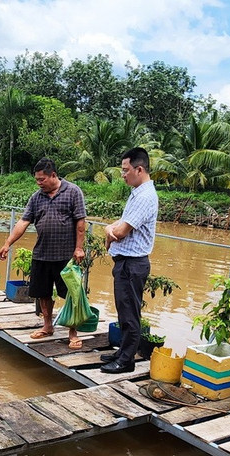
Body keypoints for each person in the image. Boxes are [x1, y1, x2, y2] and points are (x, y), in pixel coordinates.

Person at [0, 158, 87, 348]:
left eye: (41, 179)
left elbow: (80, 223)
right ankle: (47, 326)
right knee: (43, 293)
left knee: (71, 294)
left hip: (65, 257)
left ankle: (73, 332)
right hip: (42, 254)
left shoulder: (73, 191)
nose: (38, 183)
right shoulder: (36, 198)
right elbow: (23, 223)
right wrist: (7, 243)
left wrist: (79, 248)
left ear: (53, 175)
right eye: (36, 179)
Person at [100, 147, 158, 374]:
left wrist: (108, 230)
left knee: (130, 314)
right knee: (124, 311)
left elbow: (121, 231)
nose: (122, 175)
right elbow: (120, 223)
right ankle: (122, 352)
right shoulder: (137, 193)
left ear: (139, 169)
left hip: (132, 264)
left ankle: (126, 361)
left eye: (125, 171)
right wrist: (109, 228)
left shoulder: (145, 197)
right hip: (126, 263)